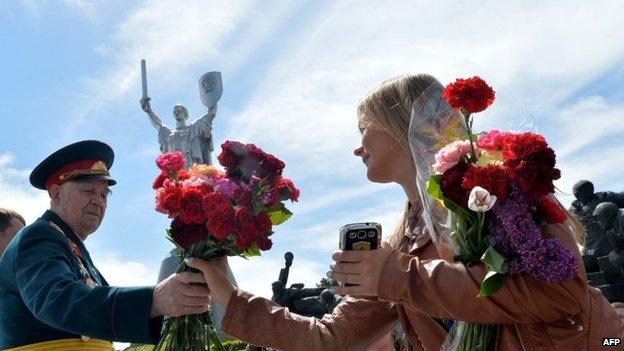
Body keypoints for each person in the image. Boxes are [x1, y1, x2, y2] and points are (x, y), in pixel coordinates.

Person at [187, 74, 624, 350]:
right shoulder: (400, 242)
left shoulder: (499, 184)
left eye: (364, 129)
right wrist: (228, 293)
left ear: (403, 123)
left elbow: (561, 295)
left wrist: (395, 277)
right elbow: (331, 338)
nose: (357, 146)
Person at [0, 140, 211, 350]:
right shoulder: (38, 236)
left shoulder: (71, 246)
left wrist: (173, 304)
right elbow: (56, 300)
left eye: (104, 194)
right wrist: (153, 300)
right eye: (88, 190)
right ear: (56, 194)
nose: (99, 201)